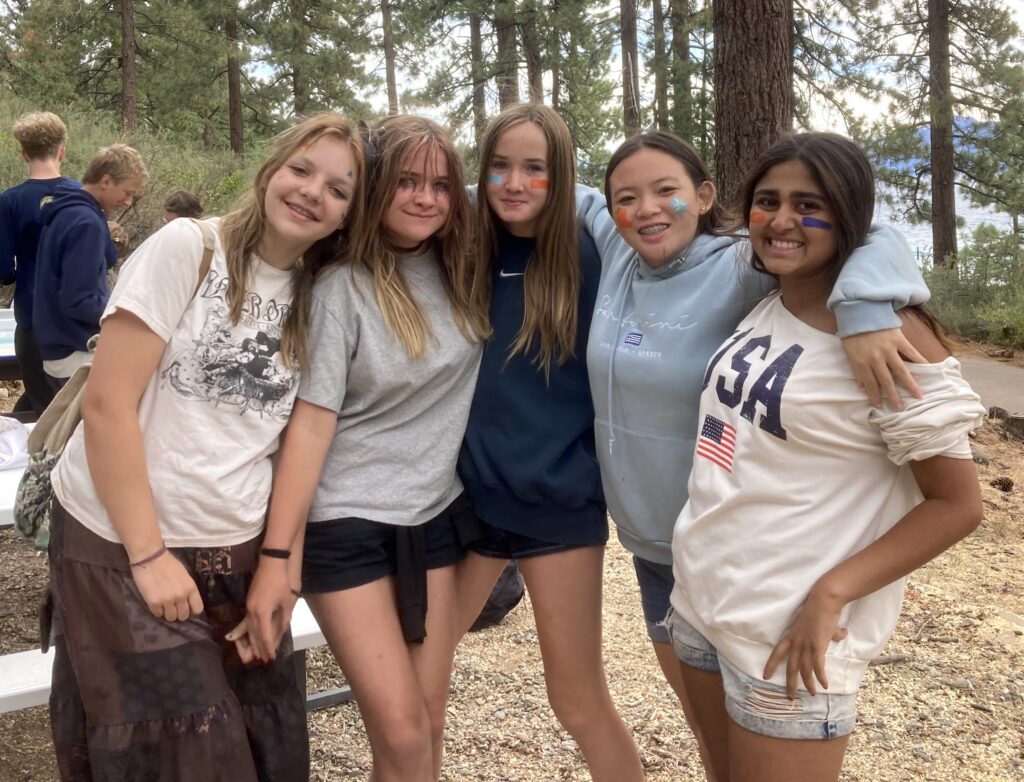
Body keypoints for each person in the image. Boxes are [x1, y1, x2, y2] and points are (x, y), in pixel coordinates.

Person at [575, 131, 930, 780]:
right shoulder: (618, 247)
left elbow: (868, 233)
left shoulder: (741, 261)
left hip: (759, 566)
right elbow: (530, 186)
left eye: (667, 193)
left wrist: (863, 307)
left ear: (705, 196)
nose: (647, 209)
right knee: (716, 752)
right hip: (666, 558)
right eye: (626, 198)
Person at [45, 112, 363, 781]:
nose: (312, 192)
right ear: (271, 168)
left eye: (338, 189)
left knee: (260, 745)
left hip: (238, 550)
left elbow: (295, 444)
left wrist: (282, 566)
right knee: (179, 753)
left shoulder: (323, 295)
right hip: (122, 541)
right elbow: (107, 408)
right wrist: (150, 555)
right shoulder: (189, 248)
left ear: (349, 216)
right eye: (302, 169)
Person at [666, 131, 984, 782]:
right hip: (702, 607)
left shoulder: (887, 337)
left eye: (809, 205)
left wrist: (834, 593)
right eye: (767, 201)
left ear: (848, 216)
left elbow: (958, 504)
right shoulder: (768, 302)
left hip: (788, 638)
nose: (782, 221)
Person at [243, 115, 488, 782]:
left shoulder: (461, 270)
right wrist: (278, 556)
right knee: (405, 737)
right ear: (376, 189)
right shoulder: (340, 289)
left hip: (434, 517)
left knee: (425, 727)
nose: (425, 199)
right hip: (345, 524)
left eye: (441, 185)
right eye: (406, 181)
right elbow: (312, 426)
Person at [455, 103, 644, 781]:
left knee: (577, 697)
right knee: (417, 669)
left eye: (534, 168)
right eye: (500, 166)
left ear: (559, 175)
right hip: (466, 501)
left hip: (557, 503)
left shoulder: (595, 254)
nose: (513, 182)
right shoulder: (461, 245)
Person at [34, 143, 149, 389]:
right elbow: (79, 300)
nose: (128, 202)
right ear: (106, 180)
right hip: (75, 354)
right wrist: (128, 316)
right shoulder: (85, 223)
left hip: (57, 347)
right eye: (127, 192)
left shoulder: (67, 212)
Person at [0, 111, 78, 413]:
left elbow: (4, 270)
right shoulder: (82, 196)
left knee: (40, 403)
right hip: (77, 322)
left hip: (32, 317)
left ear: (23, 154)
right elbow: (105, 257)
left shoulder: (10, 201)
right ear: (62, 152)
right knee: (71, 407)